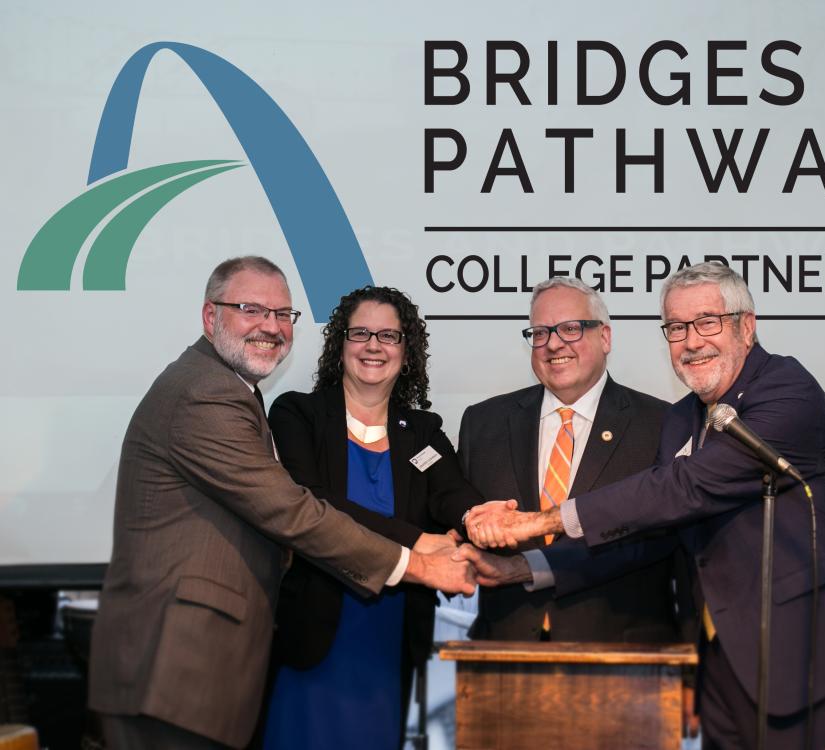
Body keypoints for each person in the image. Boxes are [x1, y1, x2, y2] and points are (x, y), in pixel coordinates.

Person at [464, 262, 825, 749]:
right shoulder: (683, 418)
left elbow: (684, 487)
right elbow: (645, 536)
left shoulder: (787, 389)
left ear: (746, 326)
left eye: (708, 322)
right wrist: (521, 569)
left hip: (805, 660)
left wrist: (539, 521)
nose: (692, 341)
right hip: (724, 663)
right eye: (676, 328)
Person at [89, 257, 474, 750]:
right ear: (211, 317)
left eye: (282, 314)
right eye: (250, 309)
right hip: (178, 665)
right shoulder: (209, 395)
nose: (270, 326)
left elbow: (448, 491)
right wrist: (419, 561)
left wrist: (480, 519)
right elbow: (294, 511)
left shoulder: (233, 392)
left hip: (209, 666)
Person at [261, 286, 481, 749]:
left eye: (389, 335)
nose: (374, 346)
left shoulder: (422, 430)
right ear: (340, 344)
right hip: (315, 635)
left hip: (391, 640)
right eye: (360, 333)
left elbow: (452, 493)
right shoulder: (297, 414)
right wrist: (417, 541)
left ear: (407, 349)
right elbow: (314, 504)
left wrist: (480, 515)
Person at [458, 276, 693, 646]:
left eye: (570, 328)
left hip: (624, 656)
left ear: (605, 337)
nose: (553, 344)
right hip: (502, 653)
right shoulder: (482, 423)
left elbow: (658, 537)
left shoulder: (664, 424)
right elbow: (461, 517)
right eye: (540, 332)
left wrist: (528, 568)